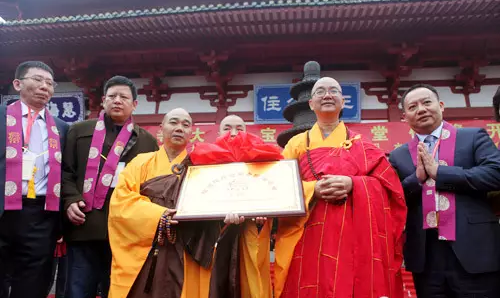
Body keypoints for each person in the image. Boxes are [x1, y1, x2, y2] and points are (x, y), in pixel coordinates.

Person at [273, 77, 407, 298]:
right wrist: (312, 190)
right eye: (320, 92)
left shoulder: (362, 145)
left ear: (343, 102)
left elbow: (388, 188)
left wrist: (353, 184)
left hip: (352, 235)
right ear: (311, 104)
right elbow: (279, 186)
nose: (327, 95)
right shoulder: (295, 145)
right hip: (307, 234)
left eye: (334, 91)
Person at [108, 108, 241, 298]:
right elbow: (121, 202)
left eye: (186, 125)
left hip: (189, 248)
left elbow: (214, 204)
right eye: (174, 122)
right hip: (151, 246)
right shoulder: (140, 163)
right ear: (161, 129)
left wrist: (227, 216)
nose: (180, 128)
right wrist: (158, 215)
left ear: (191, 133)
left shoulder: (201, 168)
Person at [389, 83, 500, 297]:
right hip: (427, 256)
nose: (421, 109)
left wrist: (442, 174)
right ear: (404, 117)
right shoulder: (399, 156)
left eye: (427, 102)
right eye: (413, 106)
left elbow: (495, 173)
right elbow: (394, 198)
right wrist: (417, 178)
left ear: (441, 106)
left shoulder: (473, 137)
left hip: (475, 248)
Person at [61, 75, 159, 298]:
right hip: (84, 225)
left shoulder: (146, 141)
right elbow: (66, 172)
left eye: (124, 97)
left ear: (134, 104)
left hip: (126, 230)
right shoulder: (78, 131)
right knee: (78, 290)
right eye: (112, 96)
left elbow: (151, 185)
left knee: (117, 290)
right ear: (103, 100)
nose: (117, 100)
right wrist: (70, 200)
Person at [0, 61, 69, 298]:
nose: (44, 87)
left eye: (50, 83)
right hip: (2, 209)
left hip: (39, 214)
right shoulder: (1, 117)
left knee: (33, 279)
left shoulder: (62, 128)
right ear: (18, 84)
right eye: (37, 80)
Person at [218, 114, 273, 298]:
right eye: (227, 128)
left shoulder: (261, 159)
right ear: (218, 132)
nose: (233, 133)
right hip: (215, 235)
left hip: (250, 230)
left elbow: (272, 195)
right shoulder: (204, 160)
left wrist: (262, 216)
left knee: (250, 284)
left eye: (239, 128)